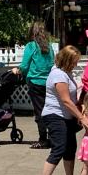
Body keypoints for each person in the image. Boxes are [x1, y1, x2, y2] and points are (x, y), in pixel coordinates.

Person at [36, 45, 88, 175]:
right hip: (55, 116)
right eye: (74, 61)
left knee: (70, 148)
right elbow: (66, 101)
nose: (76, 64)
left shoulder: (66, 73)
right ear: (66, 60)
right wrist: (81, 117)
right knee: (59, 148)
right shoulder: (58, 75)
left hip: (65, 117)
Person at [12, 21, 54, 149]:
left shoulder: (31, 46)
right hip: (48, 82)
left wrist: (17, 70)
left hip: (35, 82)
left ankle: (43, 140)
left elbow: (24, 66)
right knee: (50, 110)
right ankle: (52, 138)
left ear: (32, 31)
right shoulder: (49, 46)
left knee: (39, 112)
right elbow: (52, 63)